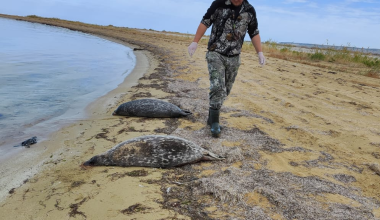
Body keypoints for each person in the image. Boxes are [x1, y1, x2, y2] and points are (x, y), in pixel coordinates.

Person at [188, 0, 265, 138]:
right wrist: (195, 41)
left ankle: (211, 117)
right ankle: (215, 123)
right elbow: (205, 21)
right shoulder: (219, 3)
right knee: (217, 87)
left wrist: (259, 52)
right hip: (215, 52)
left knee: (226, 90)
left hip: (234, 57)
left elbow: (254, 32)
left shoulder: (249, 10)